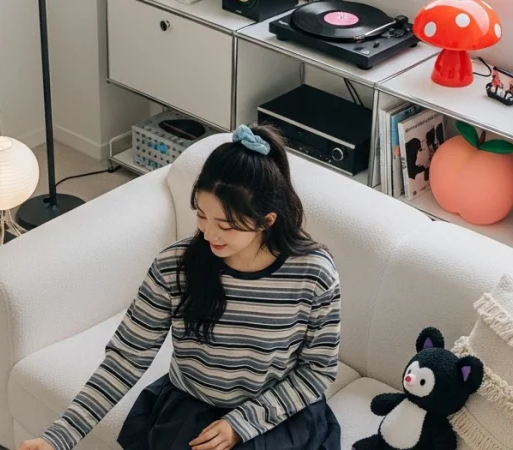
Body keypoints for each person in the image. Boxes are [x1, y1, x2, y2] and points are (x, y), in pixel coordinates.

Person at [18, 125, 342, 450]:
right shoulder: (174, 267)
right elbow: (126, 359)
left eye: (226, 226)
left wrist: (242, 423)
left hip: (275, 412)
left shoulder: (313, 274)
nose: (208, 233)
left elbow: (318, 370)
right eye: (202, 215)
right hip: (193, 407)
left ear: (267, 221)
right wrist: (58, 438)